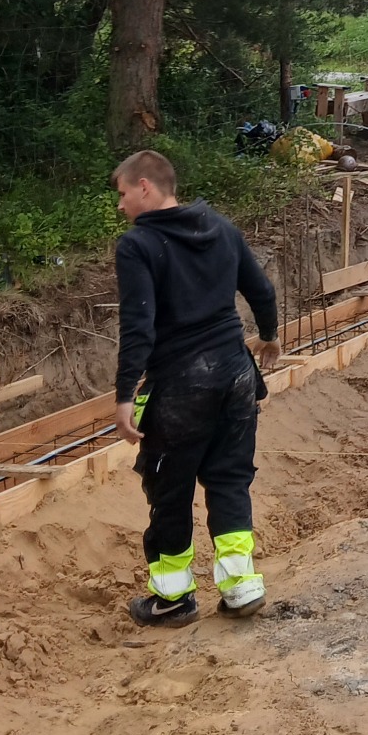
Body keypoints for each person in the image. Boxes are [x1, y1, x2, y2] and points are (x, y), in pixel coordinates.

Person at [110, 150, 281, 628]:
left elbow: (138, 326)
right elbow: (261, 290)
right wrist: (268, 334)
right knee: (228, 479)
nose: (121, 206)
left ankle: (172, 598)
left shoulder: (137, 246)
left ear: (145, 186)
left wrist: (125, 395)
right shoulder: (220, 227)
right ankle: (241, 586)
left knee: (170, 488)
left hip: (181, 386)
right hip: (236, 374)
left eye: (123, 194)